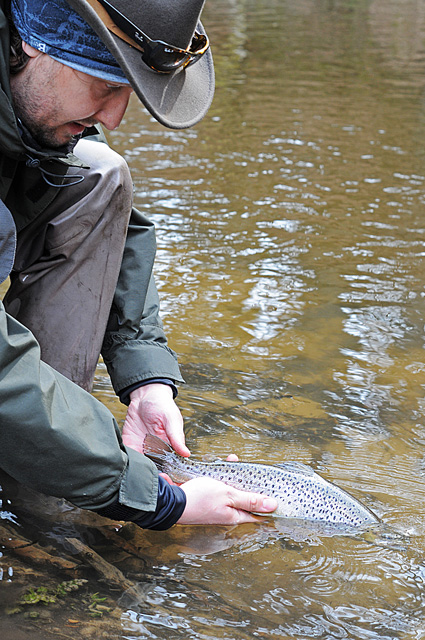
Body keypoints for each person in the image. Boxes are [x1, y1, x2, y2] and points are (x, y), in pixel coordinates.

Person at [0, 0, 277, 529]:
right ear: (32, 45)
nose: (114, 116)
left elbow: (121, 239)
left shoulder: (28, 84)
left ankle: (41, 469)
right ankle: (55, 460)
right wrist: (156, 498)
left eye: (125, 91)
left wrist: (145, 379)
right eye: (106, 86)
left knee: (99, 173)